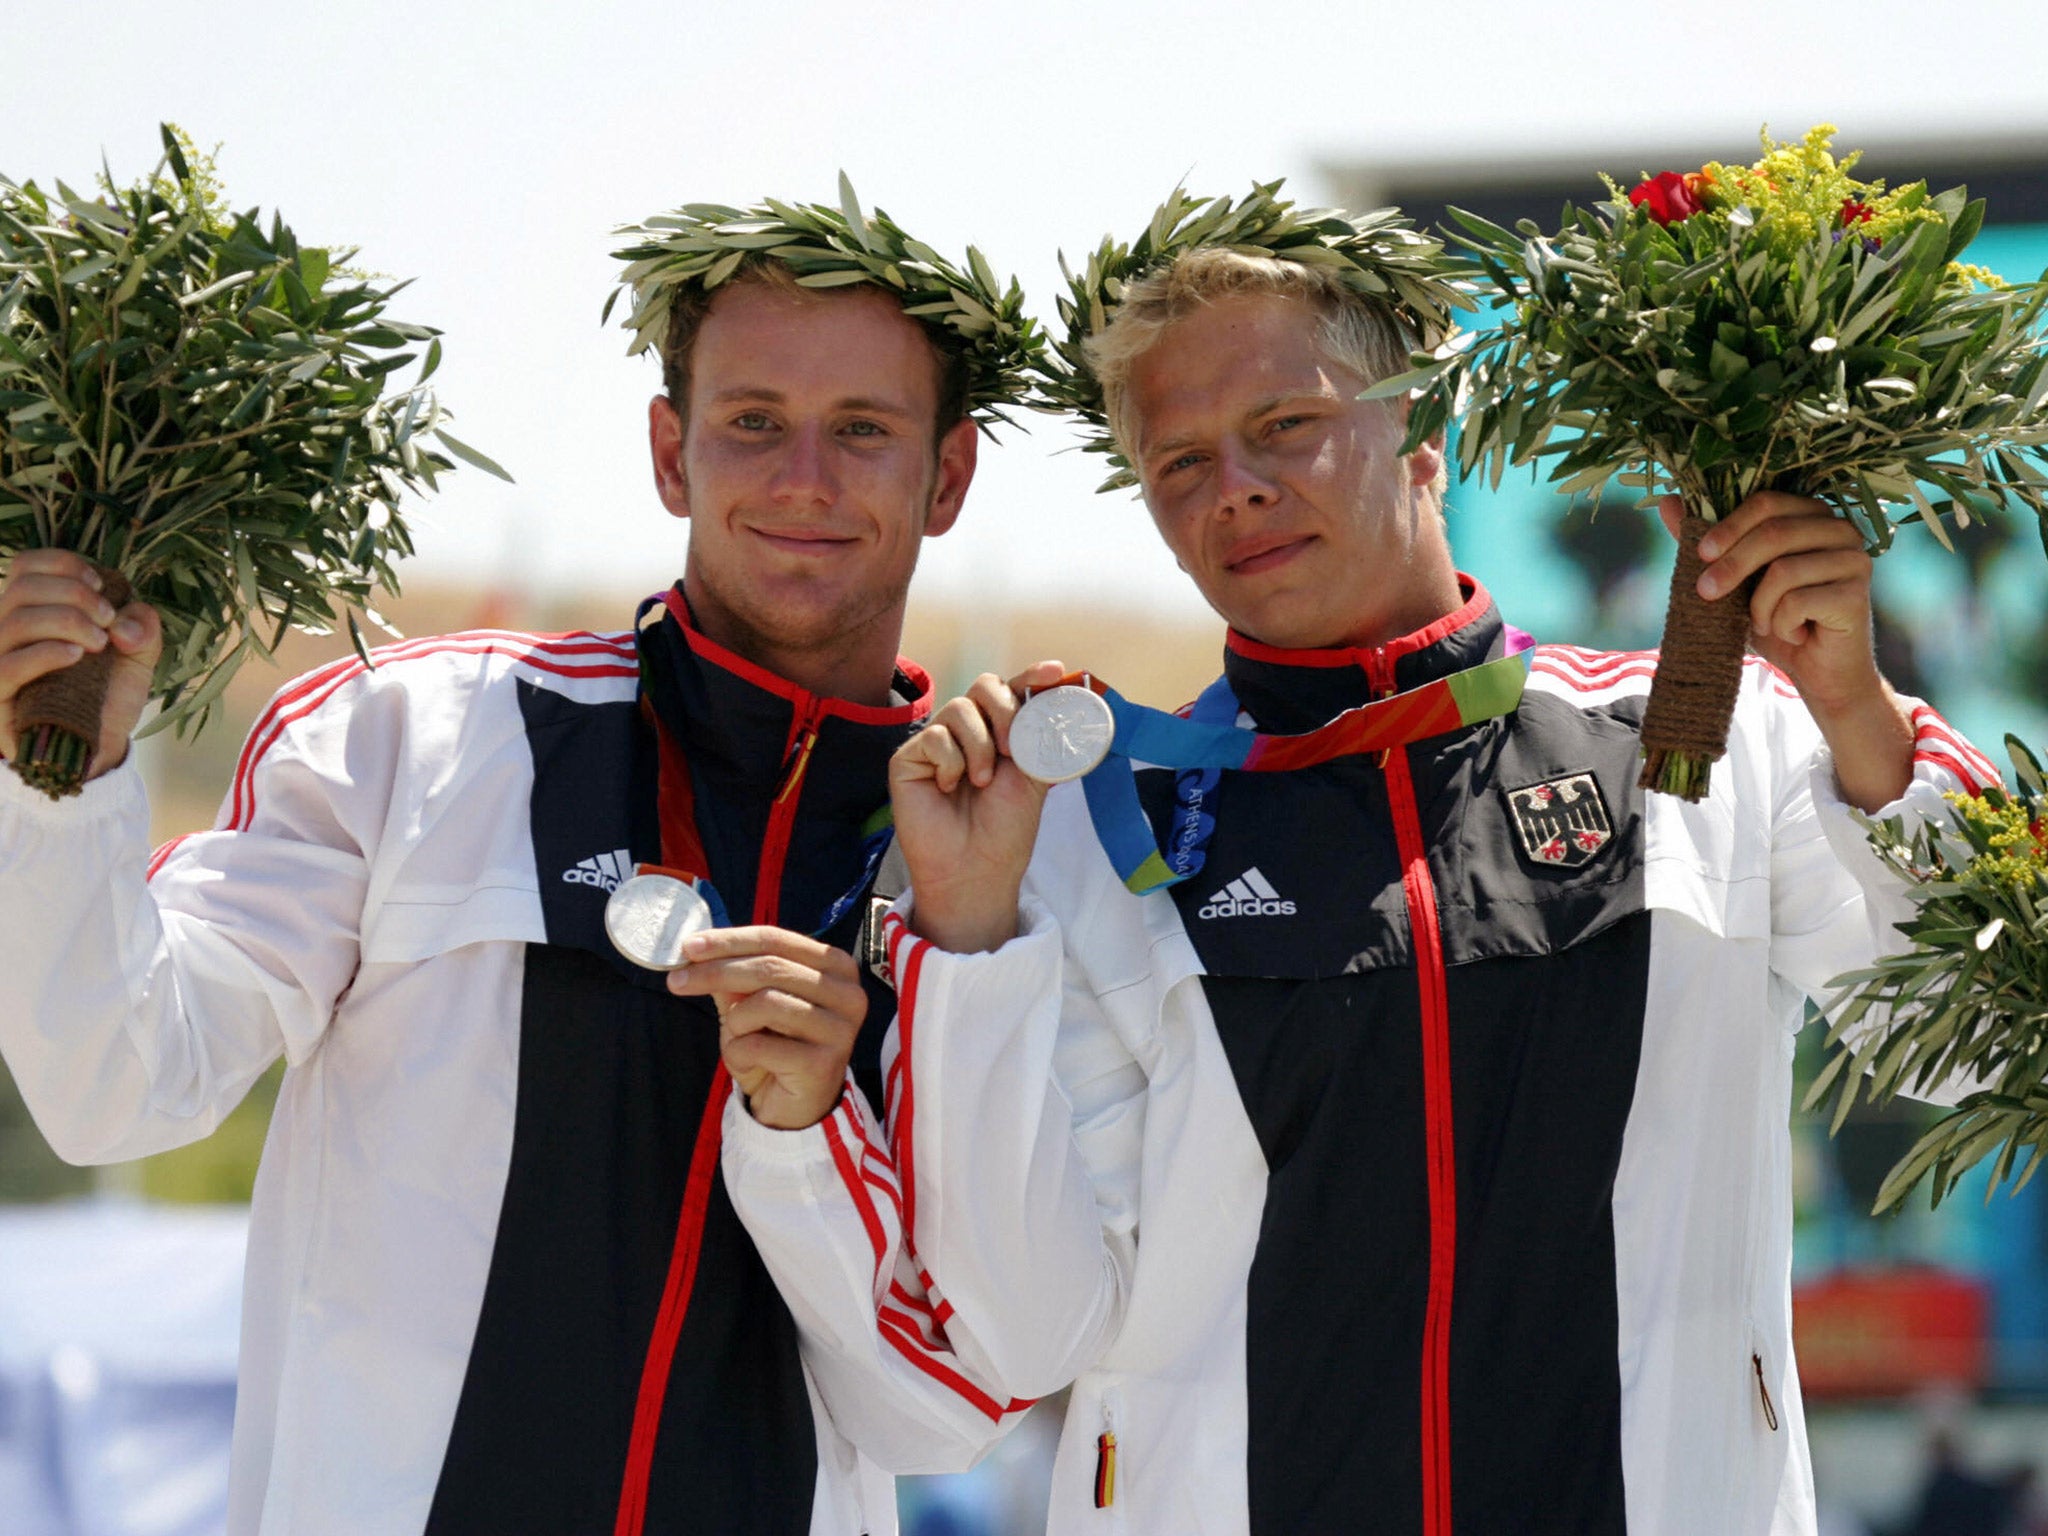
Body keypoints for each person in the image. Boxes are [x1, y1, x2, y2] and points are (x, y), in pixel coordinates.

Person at [875, 190, 2004, 1535]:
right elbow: (1022, 1327)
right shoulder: (1099, 829)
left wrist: (1860, 719)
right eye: (1180, 463)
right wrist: (965, 942)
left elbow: (1973, 1051)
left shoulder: (1701, 739)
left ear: (1424, 429)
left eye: (1285, 425)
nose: (1234, 485)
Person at [0, 191, 1039, 1535]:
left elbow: (957, 1400)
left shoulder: (993, 852)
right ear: (672, 451)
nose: (802, 480)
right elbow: (113, 1091)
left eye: (861, 432)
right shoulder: (404, 737)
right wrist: (62, 780)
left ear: (946, 477)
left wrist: (815, 1124)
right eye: (752, 422)